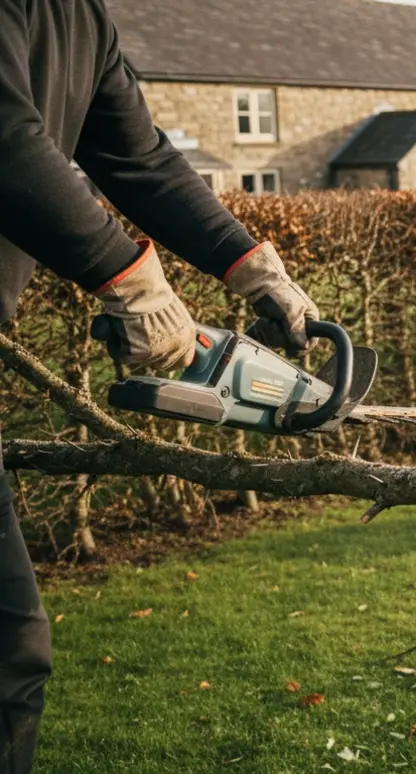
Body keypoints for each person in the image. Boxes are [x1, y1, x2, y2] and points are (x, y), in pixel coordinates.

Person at [1, 1, 319, 770]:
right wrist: (132, 281)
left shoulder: (78, 18)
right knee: (9, 649)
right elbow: (8, 140)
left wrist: (252, 268)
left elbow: (139, 157)